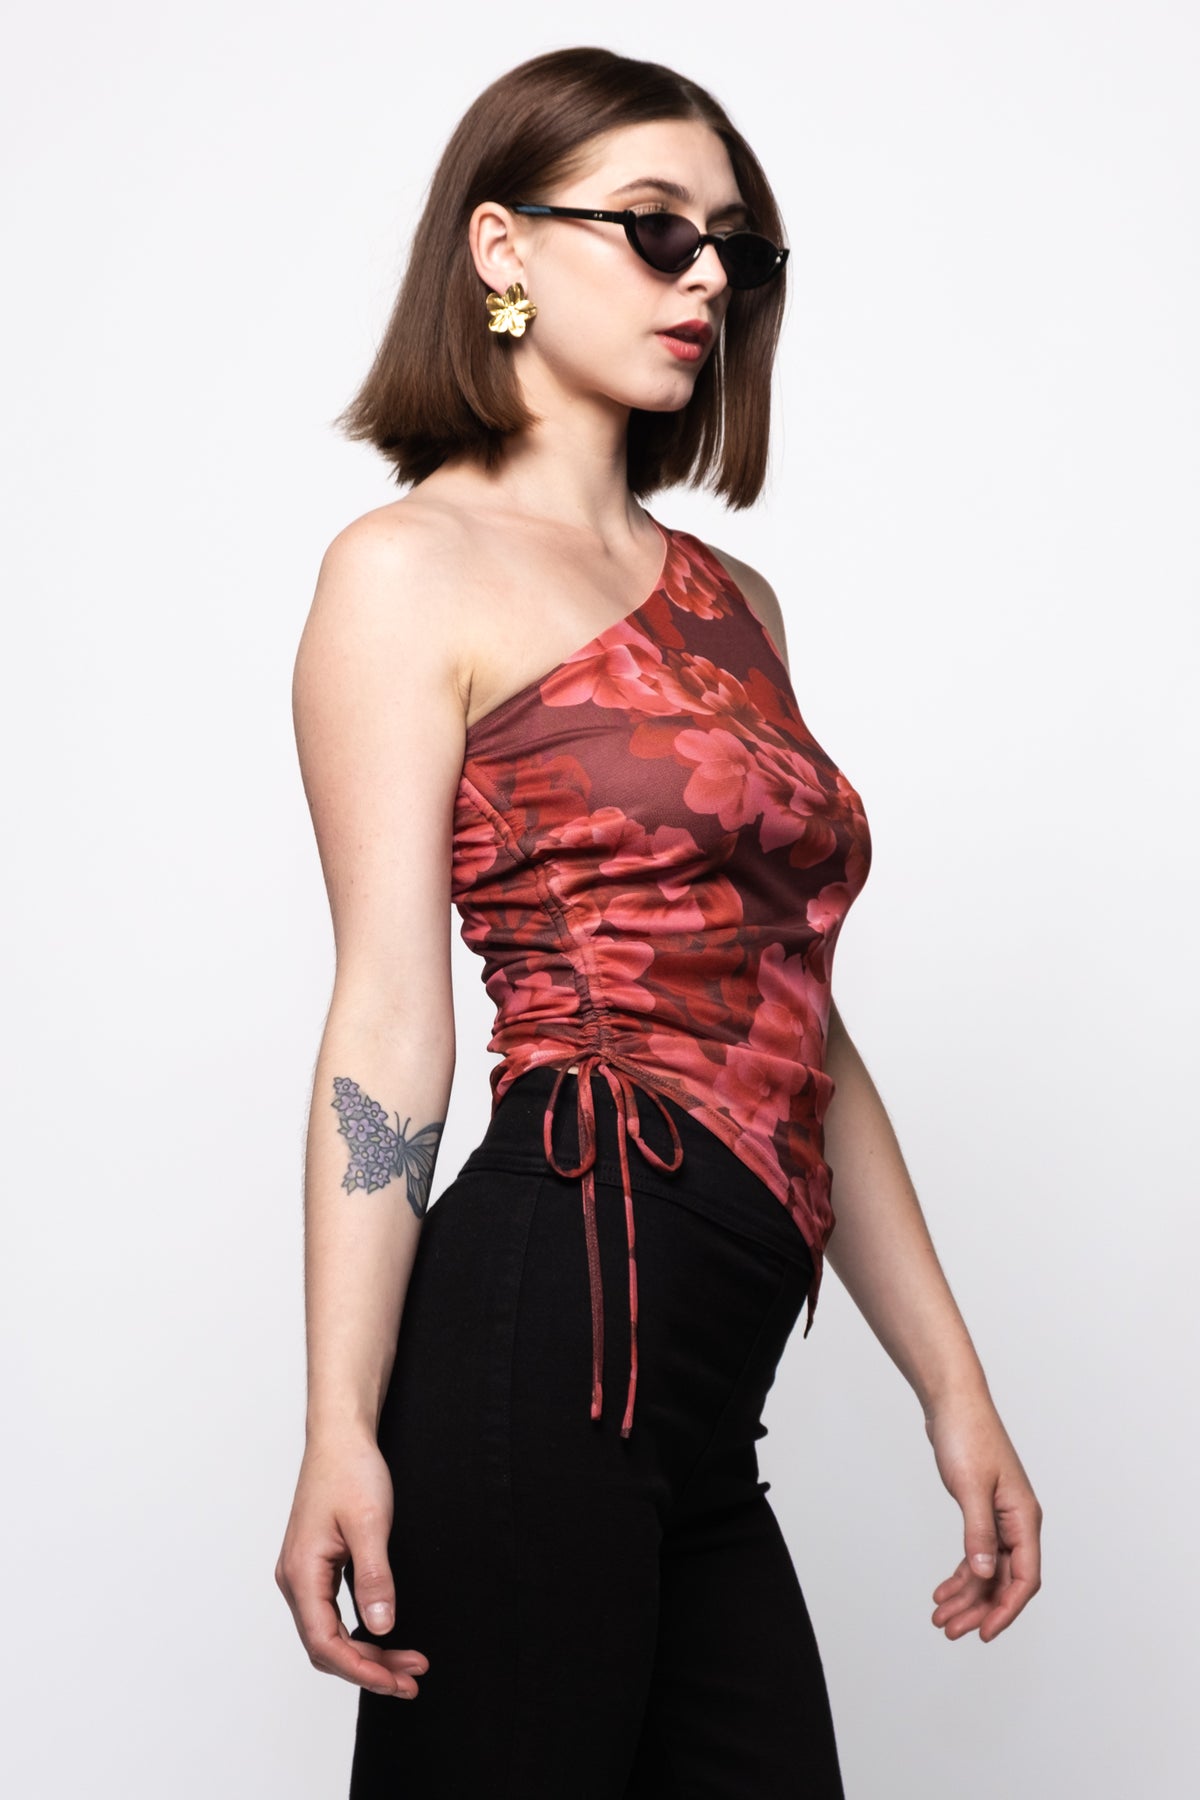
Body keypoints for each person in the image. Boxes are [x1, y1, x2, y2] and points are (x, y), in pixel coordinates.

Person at [274, 44, 1043, 1799]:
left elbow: (802, 1027)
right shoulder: (407, 572)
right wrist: (339, 1420)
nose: (707, 279)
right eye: (654, 228)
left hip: (705, 1381)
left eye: (734, 249)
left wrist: (955, 1388)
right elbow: (389, 1014)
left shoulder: (733, 601)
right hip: (559, 1306)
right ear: (501, 249)